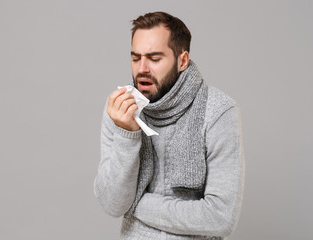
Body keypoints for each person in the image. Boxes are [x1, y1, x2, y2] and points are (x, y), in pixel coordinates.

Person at [94, 11, 245, 240]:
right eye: (136, 58)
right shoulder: (120, 108)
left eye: (154, 59)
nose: (142, 68)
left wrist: (136, 204)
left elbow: (219, 218)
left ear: (182, 61)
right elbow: (113, 204)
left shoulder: (218, 112)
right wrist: (127, 134)